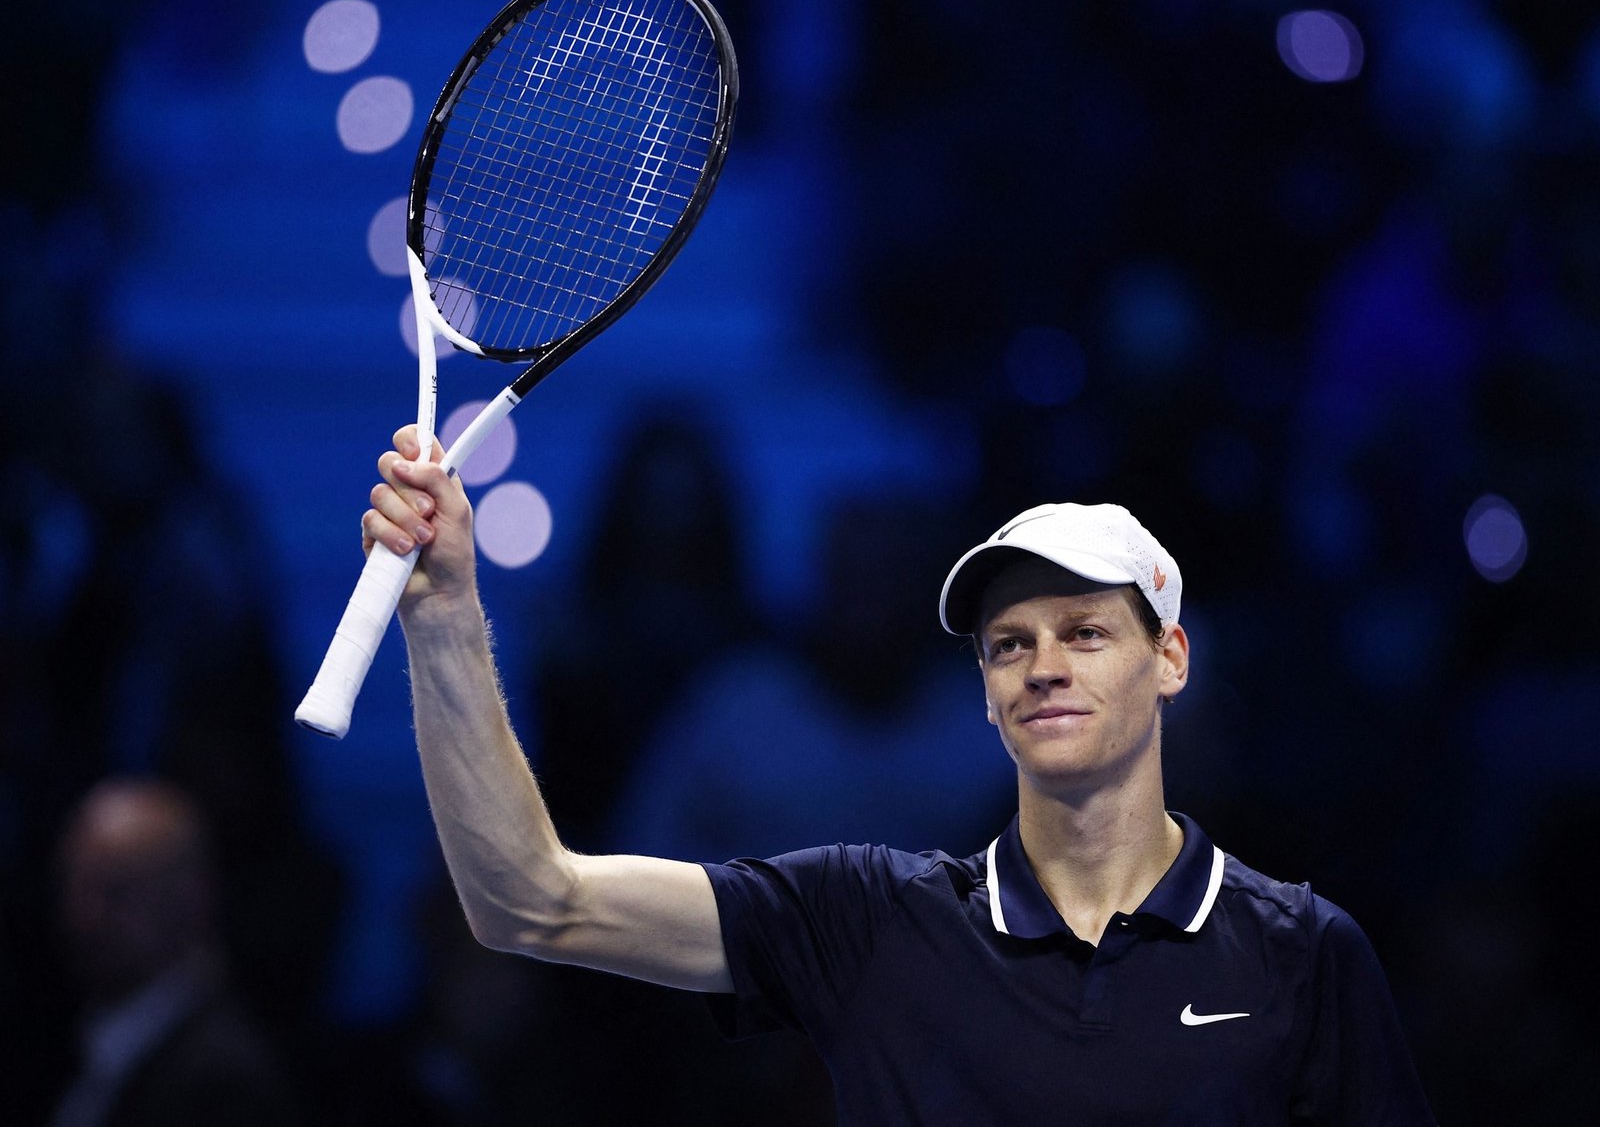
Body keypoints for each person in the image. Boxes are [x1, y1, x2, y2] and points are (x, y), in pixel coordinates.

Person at [366, 425, 1436, 1124]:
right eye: (1008, 643)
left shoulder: (1302, 953)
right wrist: (447, 612)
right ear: (982, 688)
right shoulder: (866, 915)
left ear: (1170, 661)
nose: (1043, 665)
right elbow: (531, 903)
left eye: (1084, 632)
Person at [49, 778, 299, 1127]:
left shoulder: (225, 1081)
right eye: (76, 888)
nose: (86, 917)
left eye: (116, 892)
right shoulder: (74, 1043)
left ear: (191, 899)